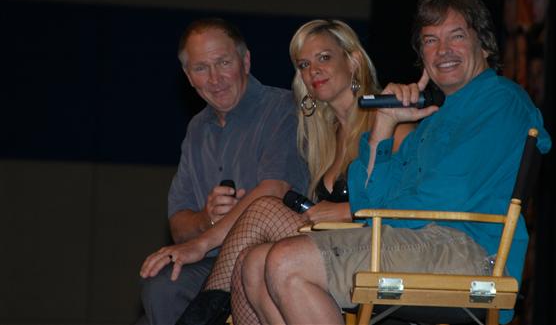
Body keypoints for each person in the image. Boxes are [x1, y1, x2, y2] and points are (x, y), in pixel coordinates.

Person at [240, 0, 552, 325]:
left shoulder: (500, 100)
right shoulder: (433, 120)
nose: (443, 50)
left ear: (485, 45)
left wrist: (377, 215)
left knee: (286, 261)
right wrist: (384, 125)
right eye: (430, 40)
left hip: (467, 249)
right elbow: (368, 199)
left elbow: (448, 194)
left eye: (457, 36)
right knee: (256, 263)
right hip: (420, 240)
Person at [174, 19, 413, 325]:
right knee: (251, 260)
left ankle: (199, 316)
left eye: (324, 57)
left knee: (264, 209)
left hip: (379, 253)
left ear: (353, 61)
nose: (313, 70)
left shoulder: (393, 123)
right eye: (304, 64)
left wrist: (347, 210)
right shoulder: (323, 139)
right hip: (329, 250)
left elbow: (416, 203)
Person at [137, 18, 308, 325]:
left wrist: (202, 241)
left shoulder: (283, 108)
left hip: (269, 257)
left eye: (223, 63)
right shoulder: (197, 129)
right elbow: (178, 225)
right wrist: (206, 217)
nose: (215, 78)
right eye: (201, 68)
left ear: (245, 61)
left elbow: (273, 190)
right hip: (210, 263)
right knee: (162, 284)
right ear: (188, 76)